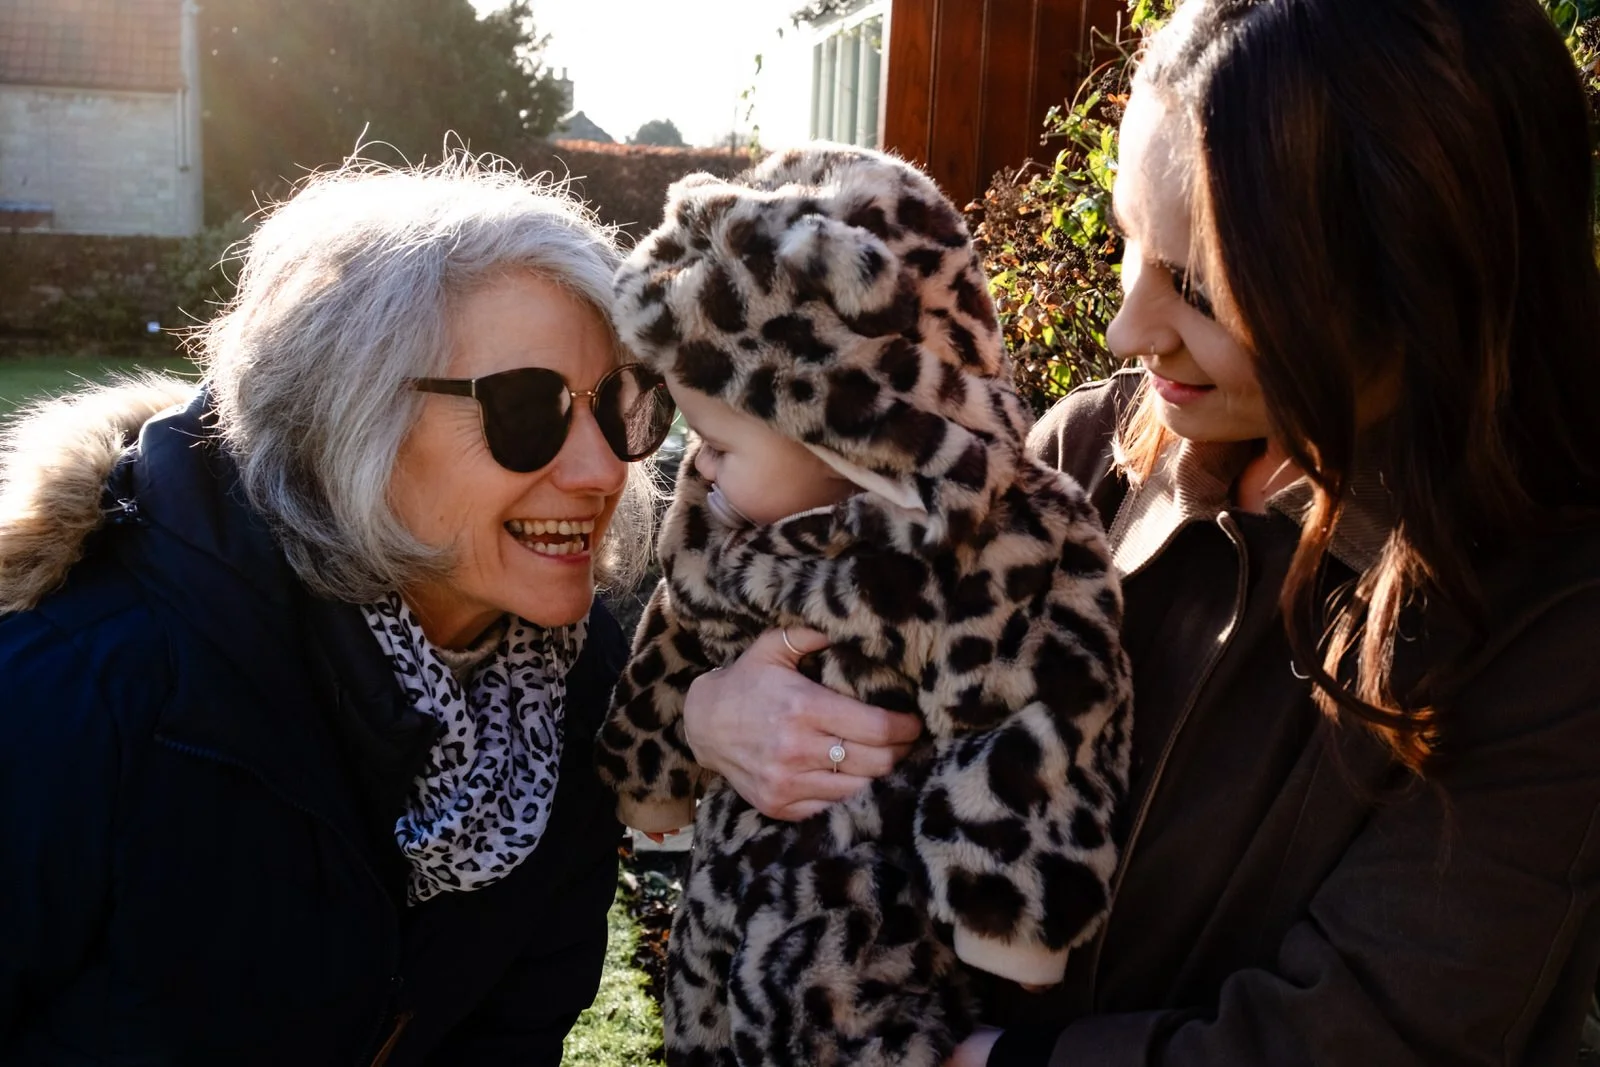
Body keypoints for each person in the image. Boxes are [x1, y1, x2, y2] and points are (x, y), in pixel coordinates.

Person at [679, 0, 1600, 1063]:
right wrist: (721, 708)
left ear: (1421, 272)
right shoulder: (1088, 451)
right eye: (1129, 243)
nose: (1126, 328)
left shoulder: (1551, 621)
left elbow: (1367, 1029)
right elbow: (832, 631)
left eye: (1201, 286)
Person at [0, 158, 676, 1065]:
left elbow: (513, 1029)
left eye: (622, 406)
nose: (602, 470)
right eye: (528, 408)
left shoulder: (575, 681)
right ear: (351, 421)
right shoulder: (86, 685)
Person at [593, 144, 1134, 1067]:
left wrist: (1008, 908)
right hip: (721, 932)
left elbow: (1032, 715)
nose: (700, 463)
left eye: (720, 439)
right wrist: (658, 771)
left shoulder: (983, 547)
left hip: (880, 951)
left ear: (846, 435)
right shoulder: (720, 527)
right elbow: (673, 645)